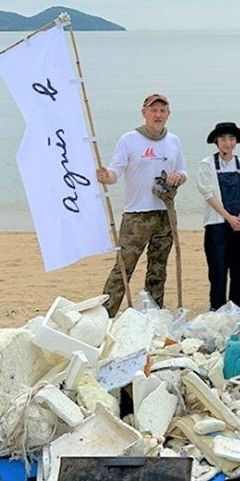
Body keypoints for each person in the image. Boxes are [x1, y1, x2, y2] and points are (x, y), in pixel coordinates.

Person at [97, 93, 187, 315]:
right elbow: (116, 170)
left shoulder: (173, 141)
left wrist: (178, 177)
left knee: (158, 269)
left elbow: (184, 171)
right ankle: (105, 314)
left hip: (165, 213)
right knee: (123, 267)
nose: (158, 115)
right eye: (153, 110)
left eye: (162, 111)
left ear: (168, 114)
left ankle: (153, 313)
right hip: (136, 215)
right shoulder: (129, 139)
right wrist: (106, 176)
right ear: (144, 113)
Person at [196, 122, 240, 310]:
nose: (228, 143)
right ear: (216, 141)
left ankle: (236, 308)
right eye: (223, 139)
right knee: (218, 269)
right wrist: (228, 217)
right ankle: (217, 308)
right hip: (217, 224)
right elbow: (208, 194)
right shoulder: (207, 165)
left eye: (231, 139)